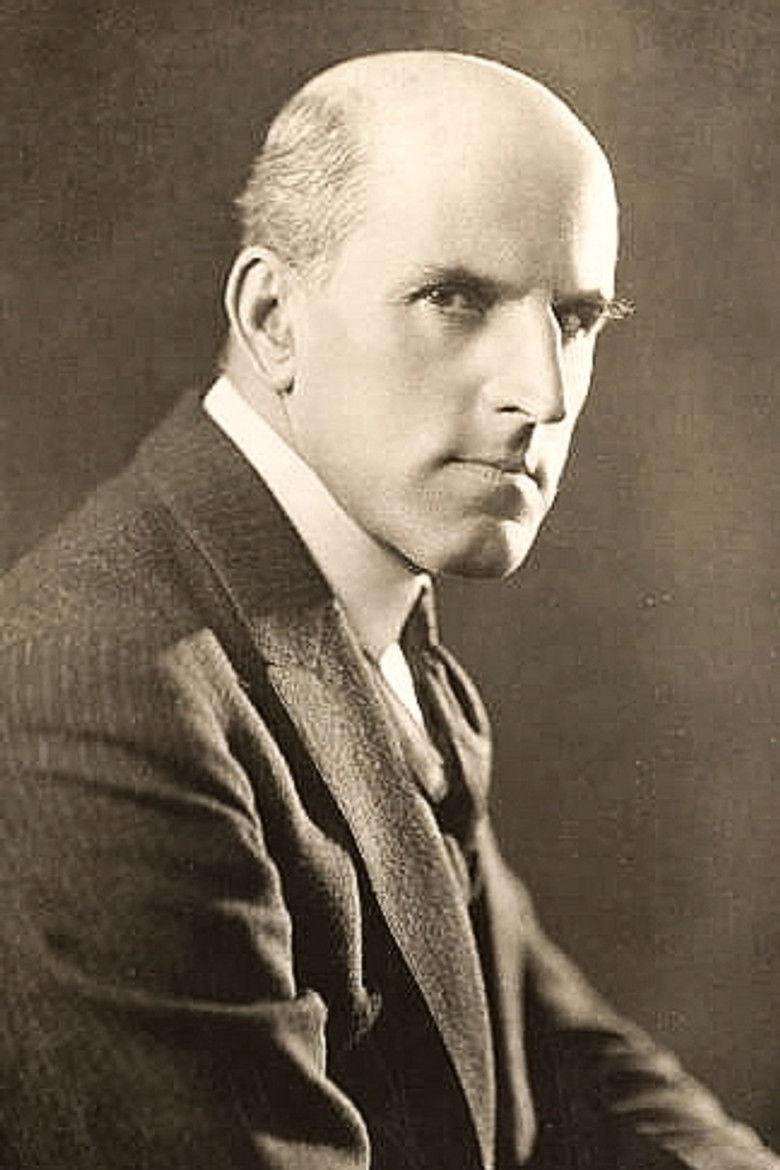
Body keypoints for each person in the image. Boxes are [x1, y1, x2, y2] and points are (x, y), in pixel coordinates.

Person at [0, 50, 776, 1170]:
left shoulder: (359, 606)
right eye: (454, 299)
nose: (542, 394)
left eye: (574, 318)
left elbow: (551, 1049)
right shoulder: (104, 686)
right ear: (273, 316)